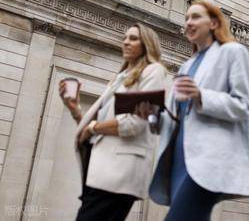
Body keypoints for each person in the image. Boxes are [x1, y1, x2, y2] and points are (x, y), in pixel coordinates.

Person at [147, 0, 249, 221]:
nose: (188, 22)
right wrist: (153, 115)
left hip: (209, 159)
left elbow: (242, 106)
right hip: (179, 158)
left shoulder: (233, 52)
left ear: (214, 23)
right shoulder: (186, 66)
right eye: (187, 18)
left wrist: (201, 96)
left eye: (196, 17)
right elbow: (176, 117)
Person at [59, 23, 168, 221]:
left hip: (119, 173)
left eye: (133, 38)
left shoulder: (154, 71)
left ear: (147, 44)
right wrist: (75, 110)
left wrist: (93, 128)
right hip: (98, 170)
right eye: (124, 38)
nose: (126, 42)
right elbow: (97, 128)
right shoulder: (120, 79)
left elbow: (135, 124)